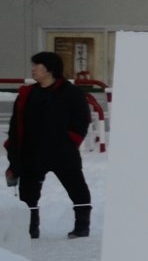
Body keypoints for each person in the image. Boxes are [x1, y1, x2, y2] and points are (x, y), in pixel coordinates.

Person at [7, 51, 93, 238]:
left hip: (62, 152)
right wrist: (13, 151)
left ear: (50, 69)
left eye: (37, 66)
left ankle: (82, 226)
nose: (33, 69)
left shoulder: (71, 93)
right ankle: (30, 230)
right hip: (32, 153)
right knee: (28, 194)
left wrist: (70, 141)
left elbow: (82, 120)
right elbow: (15, 124)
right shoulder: (27, 94)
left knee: (77, 188)